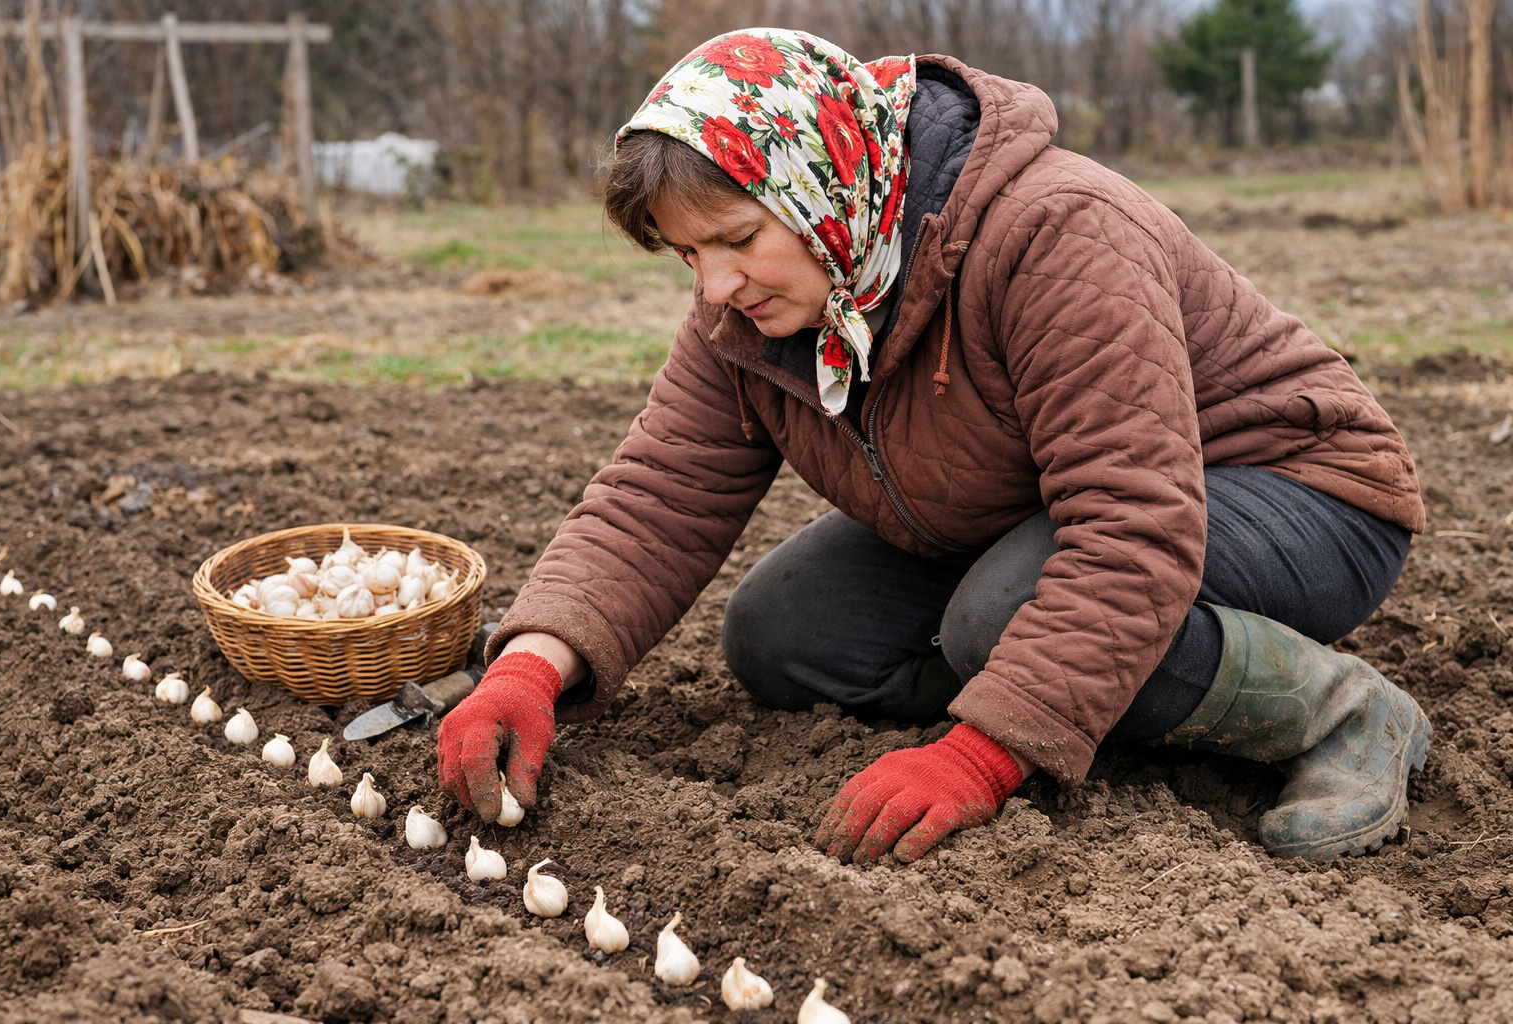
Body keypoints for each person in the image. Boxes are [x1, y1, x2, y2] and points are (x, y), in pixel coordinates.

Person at [436, 28, 1430, 864]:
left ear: (820, 185)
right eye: (690, 254)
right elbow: (659, 493)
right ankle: (1080, 681)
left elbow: (1132, 524)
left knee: (1005, 615)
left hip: (1295, 492)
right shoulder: (755, 314)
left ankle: (1340, 711)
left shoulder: (1053, 233)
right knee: (785, 632)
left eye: (738, 238)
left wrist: (983, 752)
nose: (714, 287)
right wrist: (528, 666)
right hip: (1040, 511)